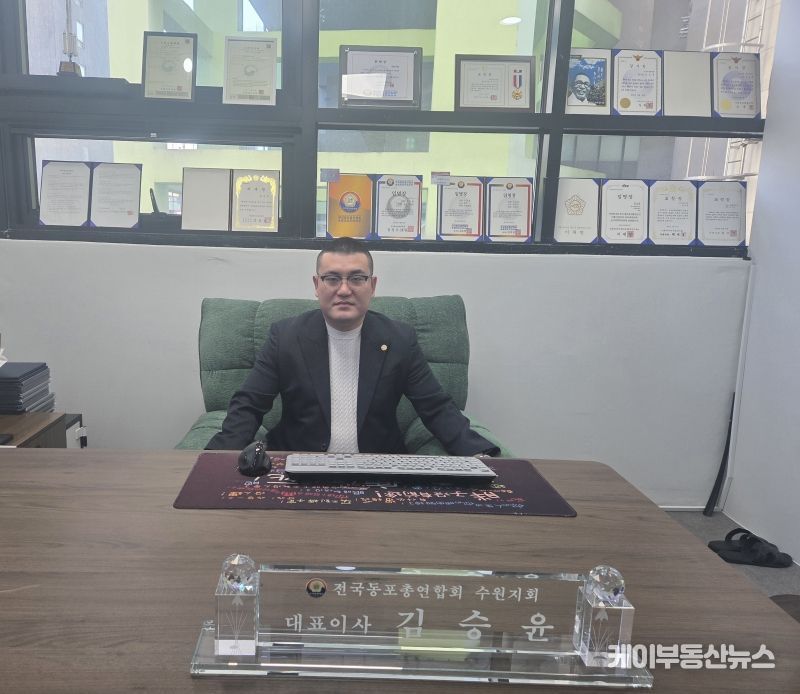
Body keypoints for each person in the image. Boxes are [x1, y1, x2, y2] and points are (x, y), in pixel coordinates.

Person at [206, 237, 499, 456]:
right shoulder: (285, 337)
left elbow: (435, 407)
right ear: (316, 285)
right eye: (332, 278)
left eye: (357, 278)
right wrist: (215, 460)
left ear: (372, 285)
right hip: (299, 464)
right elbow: (249, 404)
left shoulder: (400, 339)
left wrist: (479, 454)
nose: (344, 289)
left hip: (378, 467)